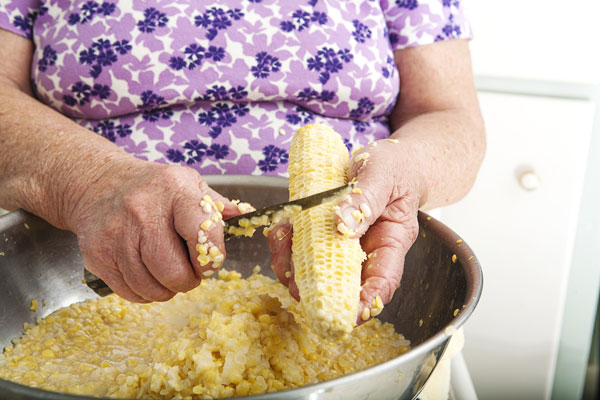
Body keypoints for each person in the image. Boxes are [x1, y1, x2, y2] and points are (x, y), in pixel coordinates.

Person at [0, 1, 484, 314]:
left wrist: (411, 167)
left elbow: (451, 117)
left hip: (358, 278)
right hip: (86, 283)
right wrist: (93, 181)